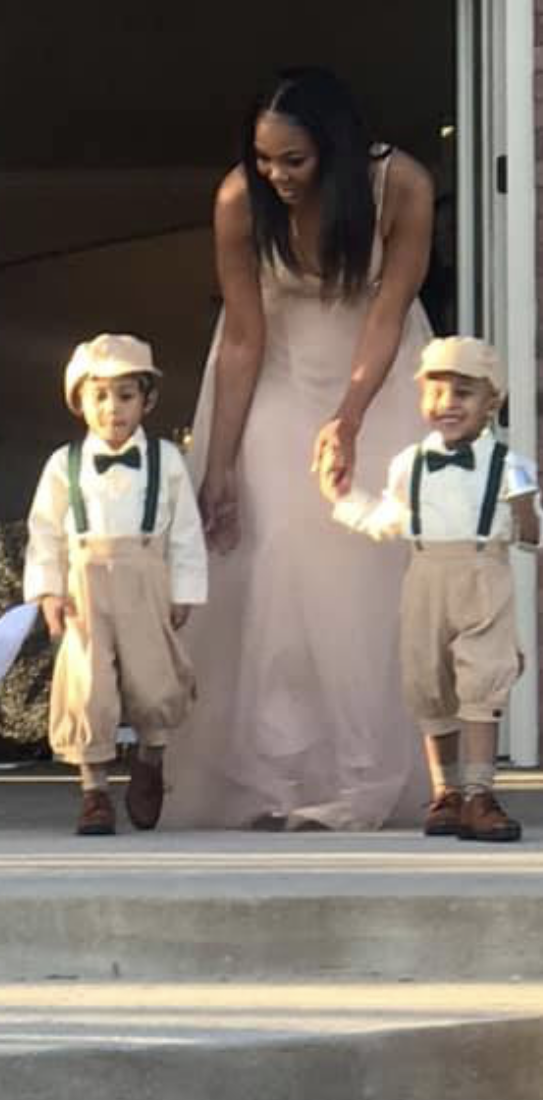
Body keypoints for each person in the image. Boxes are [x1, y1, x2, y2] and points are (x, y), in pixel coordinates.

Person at [165, 65, 435, 831]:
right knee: (274, 551)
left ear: (335, 149)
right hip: (276, 374)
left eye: (294, 160)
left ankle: (364, 777)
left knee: (367, 567)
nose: (275, 176)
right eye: (262, 159)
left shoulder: (402, 186)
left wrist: (349, 417)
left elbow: (388, 313)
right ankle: (274, 781)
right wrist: (219, 463)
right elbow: (243, 337)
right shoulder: (237, 200)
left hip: (378, 376)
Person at [332, 335, 538, 842]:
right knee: (429, 684)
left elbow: (532, 534)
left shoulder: (511, 466)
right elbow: (389, 520)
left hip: (482, 575)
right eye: (436, 392)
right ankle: (446, 792)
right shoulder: (410, 464)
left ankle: (479, 794)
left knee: (482, 680)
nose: (447, 404)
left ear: (492, 402)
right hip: (425, 577)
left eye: (463, 393)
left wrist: (526, 516)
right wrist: (343, 500)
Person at [23, 333, 207, 836]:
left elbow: (185, 531)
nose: (112, 409)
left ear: (147, 400)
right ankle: (94, 791)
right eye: (99, 396)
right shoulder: (64, 464)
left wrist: (184, 590)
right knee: (88, 688)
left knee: (154, 682)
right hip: (84, 586)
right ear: (79, 402)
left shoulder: (166, 460)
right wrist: (48, 590)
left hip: (145, 578)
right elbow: (45, 530)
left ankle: (150, 758)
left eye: (125, 396)